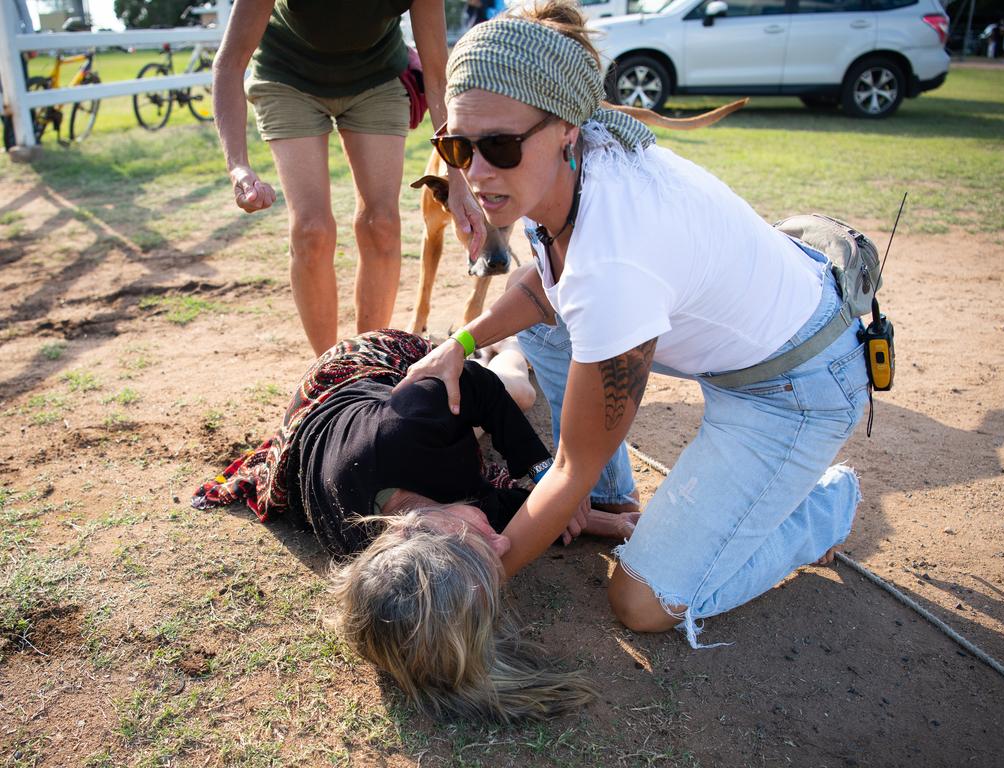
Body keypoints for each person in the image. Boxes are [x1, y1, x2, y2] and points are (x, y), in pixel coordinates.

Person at [399, 1, 871, 648]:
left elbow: (570, 466)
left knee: (642, 601)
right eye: (457, 146)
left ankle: (825, 507)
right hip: (753, 348)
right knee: (537, 319)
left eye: (500, 146)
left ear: (565, 127)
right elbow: (544, 284)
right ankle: (620, 502)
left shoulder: (615, 254)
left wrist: (475, 585)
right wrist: (461, 344)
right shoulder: (566, 169)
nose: (476, 173)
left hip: (795, 390)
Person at [193, 329, 633, 720]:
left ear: (407, 527)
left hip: (362, 372)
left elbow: (478, 391)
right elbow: (513, 512)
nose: (503, 544)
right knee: (490, 476)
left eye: (483, 543)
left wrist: (541, 470)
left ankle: (512, 346)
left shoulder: (406, 425)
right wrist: (608, 525)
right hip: (380, 460)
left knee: (515, 392)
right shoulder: (420, 538)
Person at [211, 0, 484, 355]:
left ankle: (365, 366)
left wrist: (458, 180)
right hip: (288, 76)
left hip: (377, 77)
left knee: (382, 222)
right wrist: (238, 165)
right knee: (312, 229)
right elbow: (229, 63)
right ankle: (327, 372)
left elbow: (436, 77)